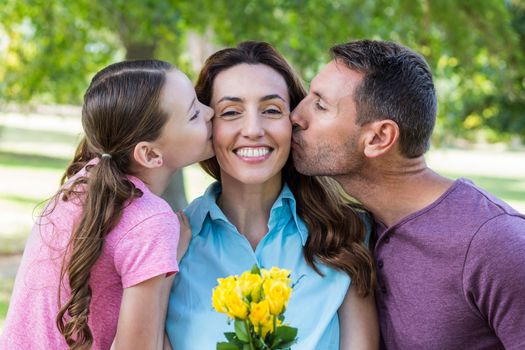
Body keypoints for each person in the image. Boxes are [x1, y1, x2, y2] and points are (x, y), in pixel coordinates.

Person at [290, 39, 525, 349]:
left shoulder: (495, 243)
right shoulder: (352, 228)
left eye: (320, 105)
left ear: (378, 137)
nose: (295, 116)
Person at [165, 41, 379, 349]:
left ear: (293, 121)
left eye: (271, 110)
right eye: (231, 112)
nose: (253, 129)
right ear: (208, 127)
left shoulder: (345, 234)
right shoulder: (170, 243)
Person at [0, 60, 214, 349]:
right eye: (194, 114)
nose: (211, 112)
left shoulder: (80, 185)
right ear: (150, 155)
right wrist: (168, 262)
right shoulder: (150, 220)